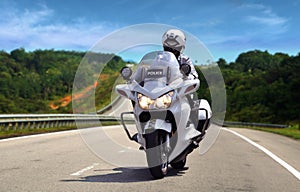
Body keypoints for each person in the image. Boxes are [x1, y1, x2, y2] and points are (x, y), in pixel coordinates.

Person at [162, 29, 209, 142]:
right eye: (168, 48)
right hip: (163, 92)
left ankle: (192, 129)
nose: (171, 51)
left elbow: (194, 75)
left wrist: (186, 77)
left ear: (180, 48)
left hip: (180, 91)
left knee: (189, 99)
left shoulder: (185, 59)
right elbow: (150, 72)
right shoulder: (159, 59)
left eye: (174, 49)